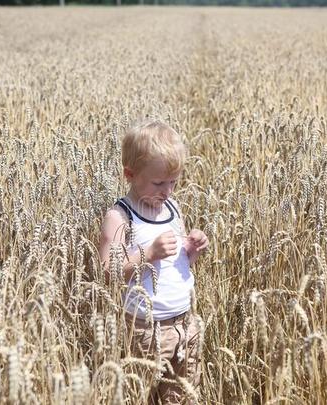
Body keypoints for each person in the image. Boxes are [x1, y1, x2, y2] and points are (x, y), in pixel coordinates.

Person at [98, 119, 209, 404]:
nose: (168, 191)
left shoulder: (172, 207)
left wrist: (192, 249)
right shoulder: (120, 216)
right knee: (138, 396)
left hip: (186, 324)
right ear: (130, 174)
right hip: (144, 330)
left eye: (173, 182)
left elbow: (176, 265)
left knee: (183, 396)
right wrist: (148, 253)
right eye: (159, 183)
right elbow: (108, 272)